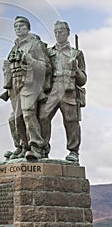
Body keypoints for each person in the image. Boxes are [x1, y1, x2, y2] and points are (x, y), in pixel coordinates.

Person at [1, 16, 51, 160]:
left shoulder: (35, 44)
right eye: (16, 26)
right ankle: (22, 147)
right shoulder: (14, 47)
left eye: (21, 26)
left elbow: (46, 67)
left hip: (29, 83)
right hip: (14, 86)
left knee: (29, 113)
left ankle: (37, 147)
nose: (18, 28)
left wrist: (30, 60)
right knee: (15, 118)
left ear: (28, 28)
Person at [39, 21, 87, 163]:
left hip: (69, 92)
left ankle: (73, 152)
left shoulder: (76, 53)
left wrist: (76, 69)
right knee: (43, 117)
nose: (58, 34)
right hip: (52, 91)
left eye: (61, 31)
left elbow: (83, 80)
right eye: (56, 32)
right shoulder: (49, 53)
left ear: (68, 33)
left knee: (71, 121)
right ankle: (42, 149)